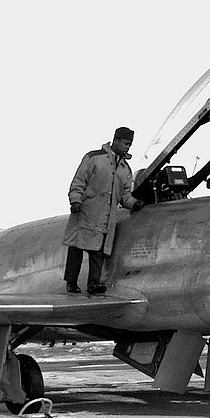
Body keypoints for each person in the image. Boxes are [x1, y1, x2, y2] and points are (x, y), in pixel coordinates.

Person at [63, 126, 145, 294]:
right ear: (115, 140)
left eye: (129, 145)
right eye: (125, 143)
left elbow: (125, 196)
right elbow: (79, 181)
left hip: (106, 217)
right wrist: (75, 201)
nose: (127, 147)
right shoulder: (94, 158)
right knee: (76, 248)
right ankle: (71, 282)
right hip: (86, 212)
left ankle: (93, 283)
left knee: (98, 252)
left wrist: (135, 203)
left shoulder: (125, 169)